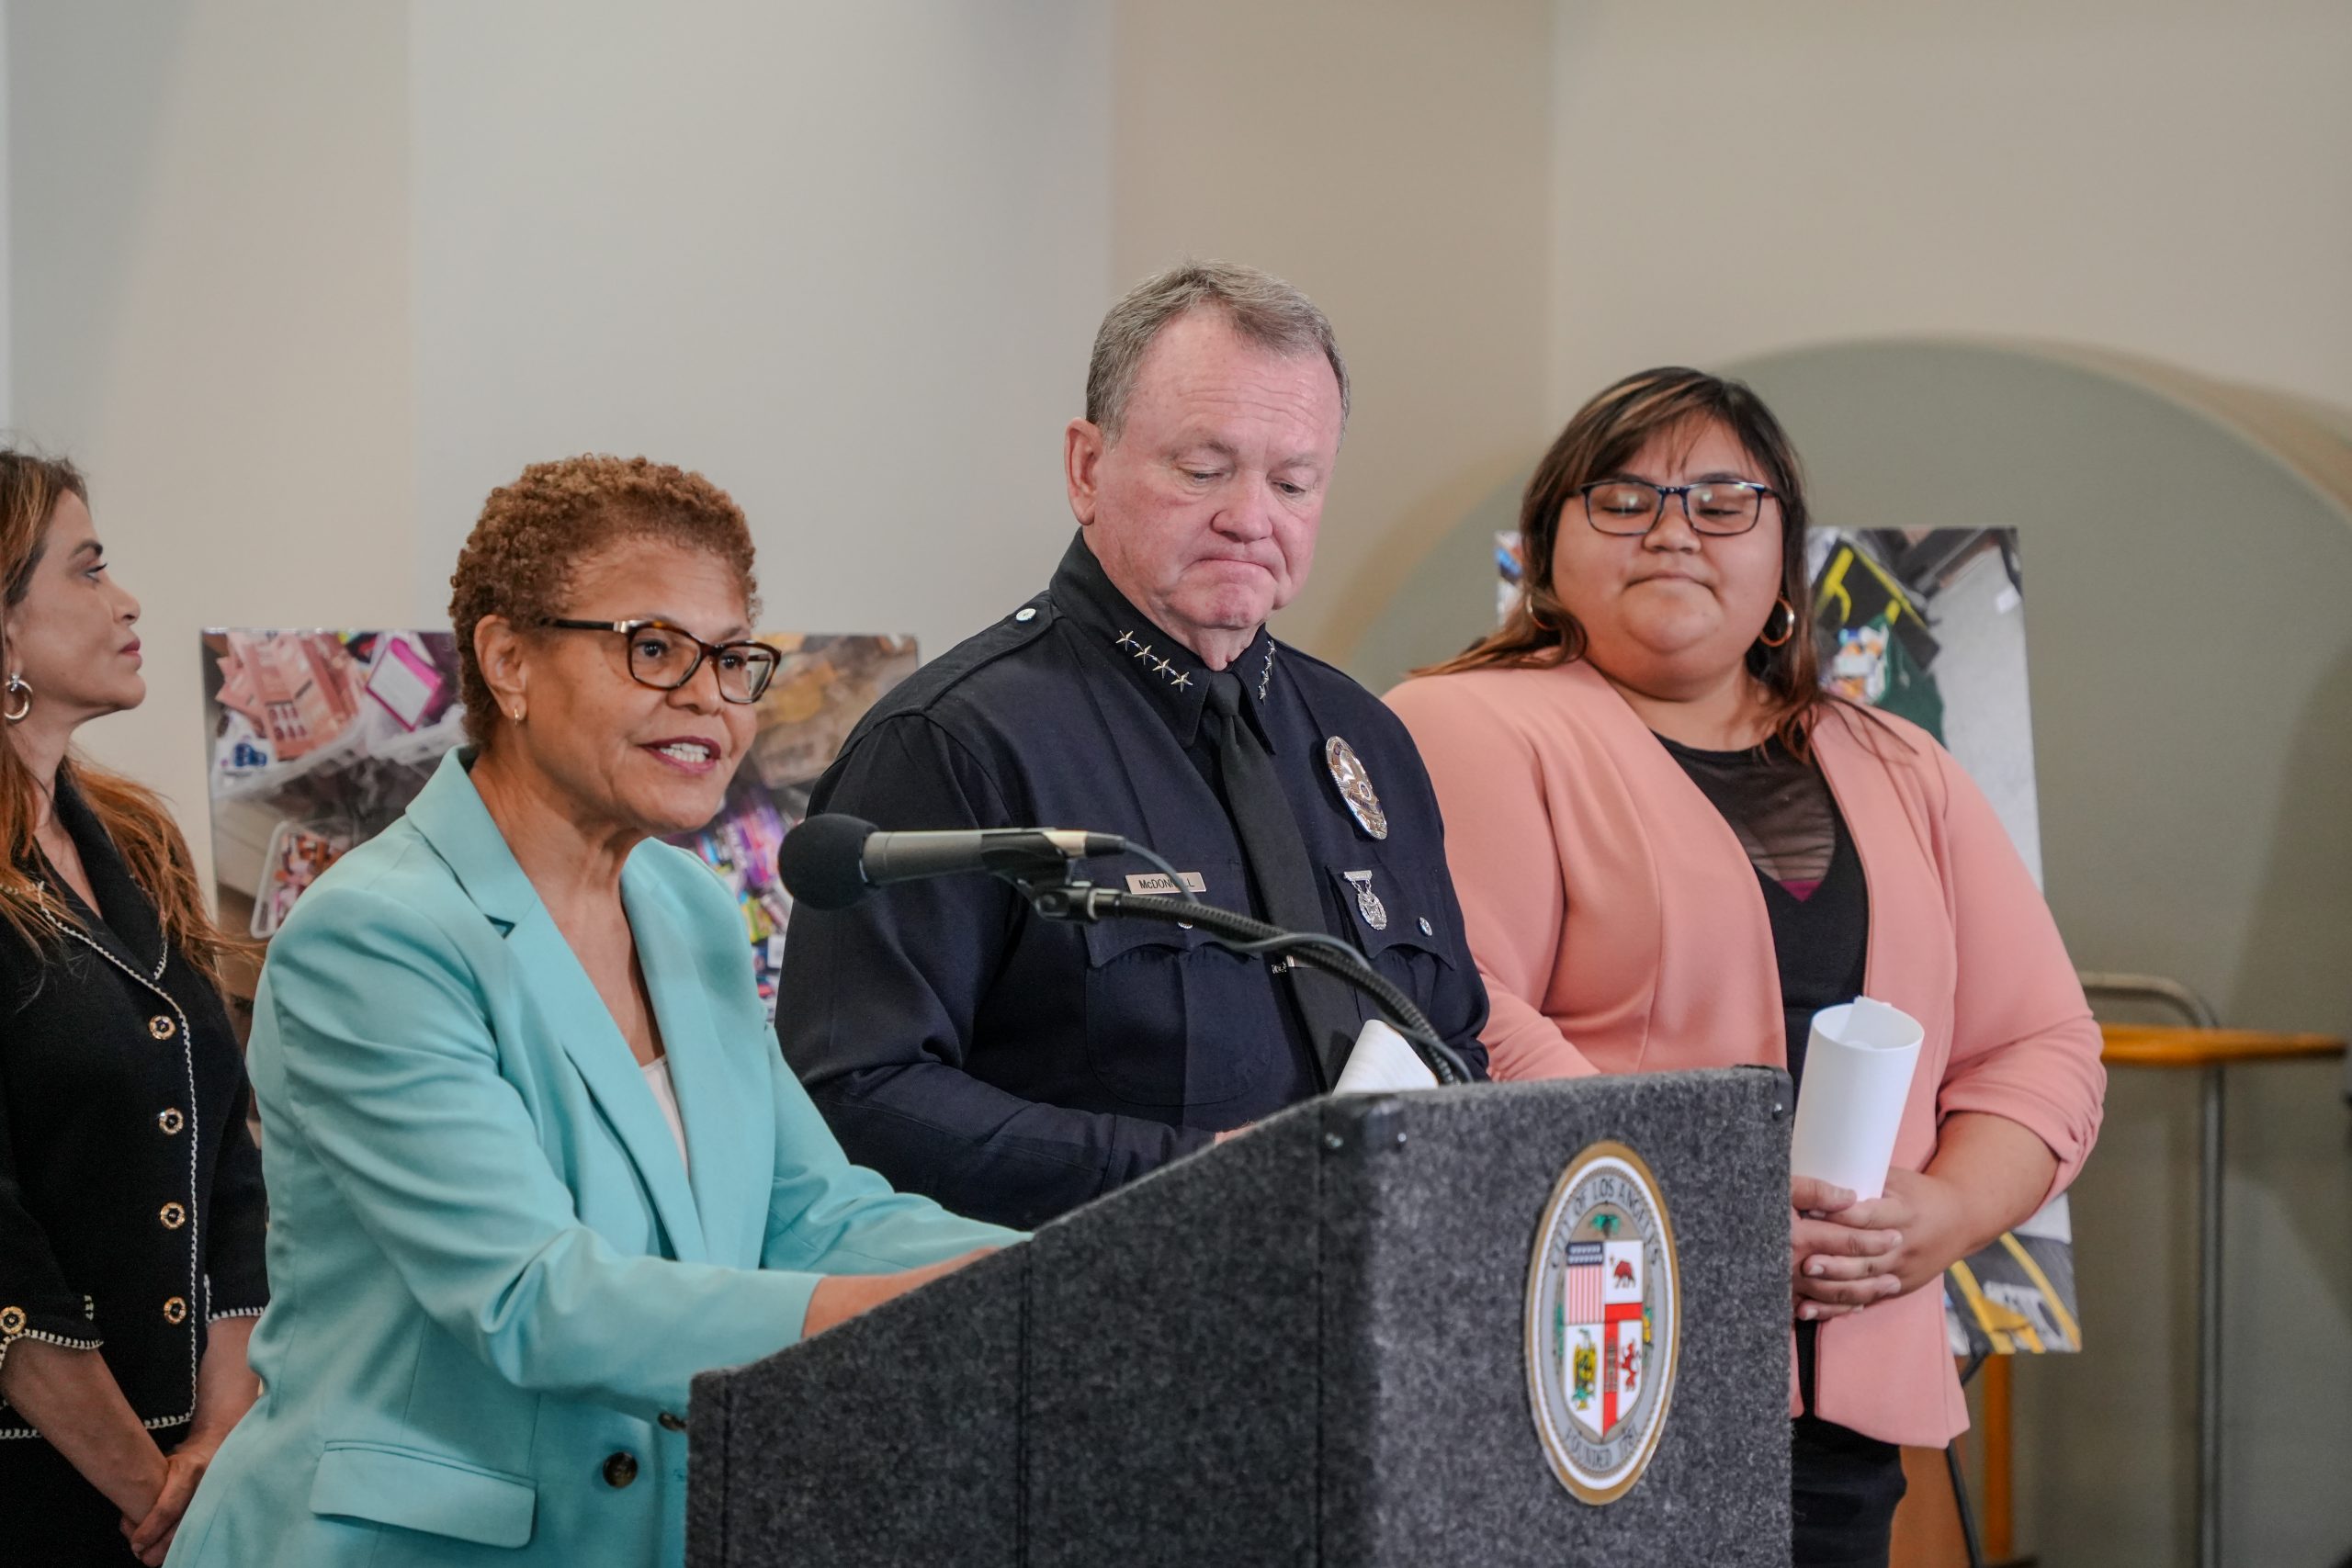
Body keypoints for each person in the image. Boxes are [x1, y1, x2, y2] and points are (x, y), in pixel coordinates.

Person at [168, 457, 1019, 1568]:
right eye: (654, 648)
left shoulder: (686, 910)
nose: (709, 697)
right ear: (508, 659)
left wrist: (1062, 1275)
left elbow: (810, 1216)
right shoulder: (376, 938)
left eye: (732, 659)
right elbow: (533, 1298)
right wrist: (910, 1316)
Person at [1385, 369, 2105, 1568]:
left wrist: (1944, 1213)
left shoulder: (1897, 761)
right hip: (1591, 1375)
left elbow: (2042, 1043)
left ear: (1786, 556)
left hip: (1843, 1400)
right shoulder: (1464, 722)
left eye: (1724, 500)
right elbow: (1460, 1011)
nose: (1674, 525)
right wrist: (1704, 1213)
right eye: (1623, 498)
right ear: (1548, 543)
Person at [779, 262, 1488, 1230]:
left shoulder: (1365, 738)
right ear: (1086, 467)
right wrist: (1190, 1179)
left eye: (1293, 481)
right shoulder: (954, 742)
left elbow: (1452, 1046)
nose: (1249, 517)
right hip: (1093, 1319)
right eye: (1202, 471)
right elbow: (855, 1093)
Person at [0, 452, 266, 1567]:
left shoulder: (137, 841)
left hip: (203, 1474)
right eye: (90, 569)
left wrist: (216, 1442)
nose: (129, 601)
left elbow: (230, 1160)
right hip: (34, 1485)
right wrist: (148, 1490)